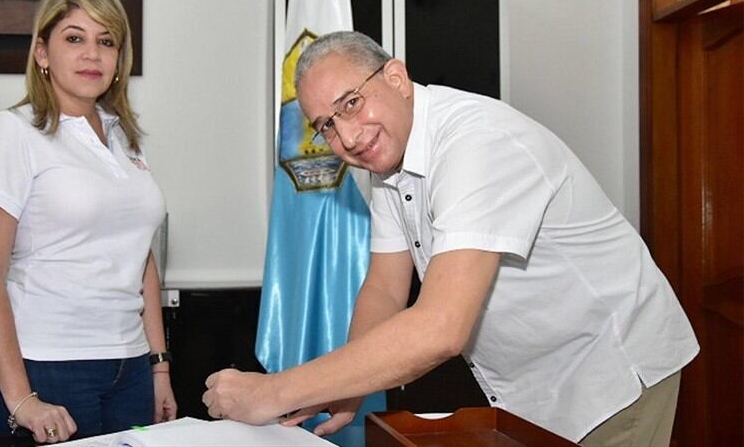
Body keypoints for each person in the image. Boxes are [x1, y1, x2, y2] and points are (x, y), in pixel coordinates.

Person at [203, 31, 699, 446]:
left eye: (351, 104)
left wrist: (275, 392)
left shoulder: (476, 143)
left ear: (396, 78)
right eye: (326, 127)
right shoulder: (387, 161)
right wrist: (349, 384)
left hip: (611, 375)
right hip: (535, 389)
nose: (348, 138)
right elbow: (385, 287)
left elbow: (441, 328)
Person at [0, 0, 176, 444]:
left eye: (106, 41)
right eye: (74, 38)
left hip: (130, 368)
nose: (92, 55)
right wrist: (22, 400)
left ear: (120, 58)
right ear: (42, 52)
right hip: (47, 366)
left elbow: (142, 259)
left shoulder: (124, 139)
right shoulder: (15, 131)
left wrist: (158, 366)